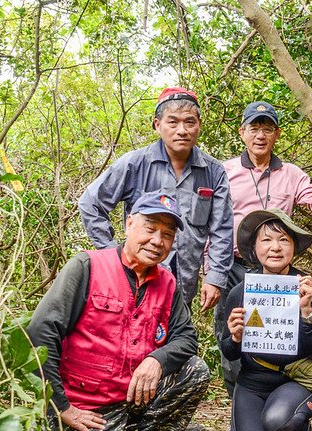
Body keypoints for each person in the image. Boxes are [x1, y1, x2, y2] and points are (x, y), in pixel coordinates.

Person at [30, 191, 210, 431]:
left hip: (132, 395)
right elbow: (40, 333)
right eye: (150, 229)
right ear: (129, 224)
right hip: (86, 404)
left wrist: (157, 361)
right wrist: (61, 406)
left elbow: (186, 337)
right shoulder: (87, 267)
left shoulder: (166, 282)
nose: (157, 241)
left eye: (167, 235)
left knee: (194, 370)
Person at [216, 101, 312, 431]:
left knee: (288, 334)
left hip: (281, 270)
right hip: (233, 264)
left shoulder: (291, 174)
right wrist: (211, 272)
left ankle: (284, 408)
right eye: (253, 128)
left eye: (267, 128)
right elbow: (210, 221)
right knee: (234, 337)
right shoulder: (224, 171)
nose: (260, 135)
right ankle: (241, 419)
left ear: (276, 134)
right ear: (242, 132)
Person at [79, 86, 233, 313]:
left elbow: (222, 228)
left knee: (176, 342)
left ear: (199, 125)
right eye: (173, 122)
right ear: (157, 125)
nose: (182, 130)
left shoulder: (213, 171)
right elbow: (90, 203)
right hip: (136, 280)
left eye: (190, 122)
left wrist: (215, 277)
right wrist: (113, 254)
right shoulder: (134, 163)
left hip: (184, 285)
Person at [219, 209, 312, 431]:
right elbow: (228, 351)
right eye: (266, 241)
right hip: (253, 383)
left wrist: (307, 311)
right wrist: (235, 336)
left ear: (293, 247)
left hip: (296, 380)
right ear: (255, 249)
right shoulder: (240, 291)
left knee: (280, 423)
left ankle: (295, 426)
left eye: (284, 240)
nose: (275, 248)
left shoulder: (310, 287)